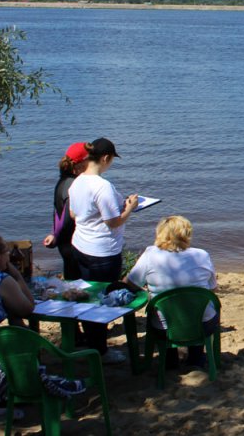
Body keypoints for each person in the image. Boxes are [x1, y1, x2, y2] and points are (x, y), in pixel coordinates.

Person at [0, 236, 87, 414]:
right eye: (6, 253)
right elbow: (28, 307)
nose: (8, 257)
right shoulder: (2, 280)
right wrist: (16, 275)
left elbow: (16, 314)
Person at [69, 137, 138, 363]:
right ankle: (100, 350)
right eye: (111, 161)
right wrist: (130, 209)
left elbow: (73, 214)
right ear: (106, 158)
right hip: (103, 252)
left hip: (80, 246)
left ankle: (91, 342)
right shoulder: (102, 186)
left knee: (88, 295)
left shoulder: (77, 182)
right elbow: (113, 222)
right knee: (102, 300)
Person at [123, 216, 218, 369]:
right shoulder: (202, 255)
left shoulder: (150, 255)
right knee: (202, 312)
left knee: (163, 318)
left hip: (165, 328)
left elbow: (130, 283)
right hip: (202, 325)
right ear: (186, 234)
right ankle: (196, 359)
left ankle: (170, 361)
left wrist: (150, 291)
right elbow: (212, 289)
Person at [43, 142, 89, 280]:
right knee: (79, 285)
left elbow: (57, 212)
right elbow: (67, 217)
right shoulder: (74, 185)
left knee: (71, 280)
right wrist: (56, 236)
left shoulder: (62, 181)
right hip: (72, 243)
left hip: (65, 243)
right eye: (90, 160)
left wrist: (54, 233)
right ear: (81, 164)